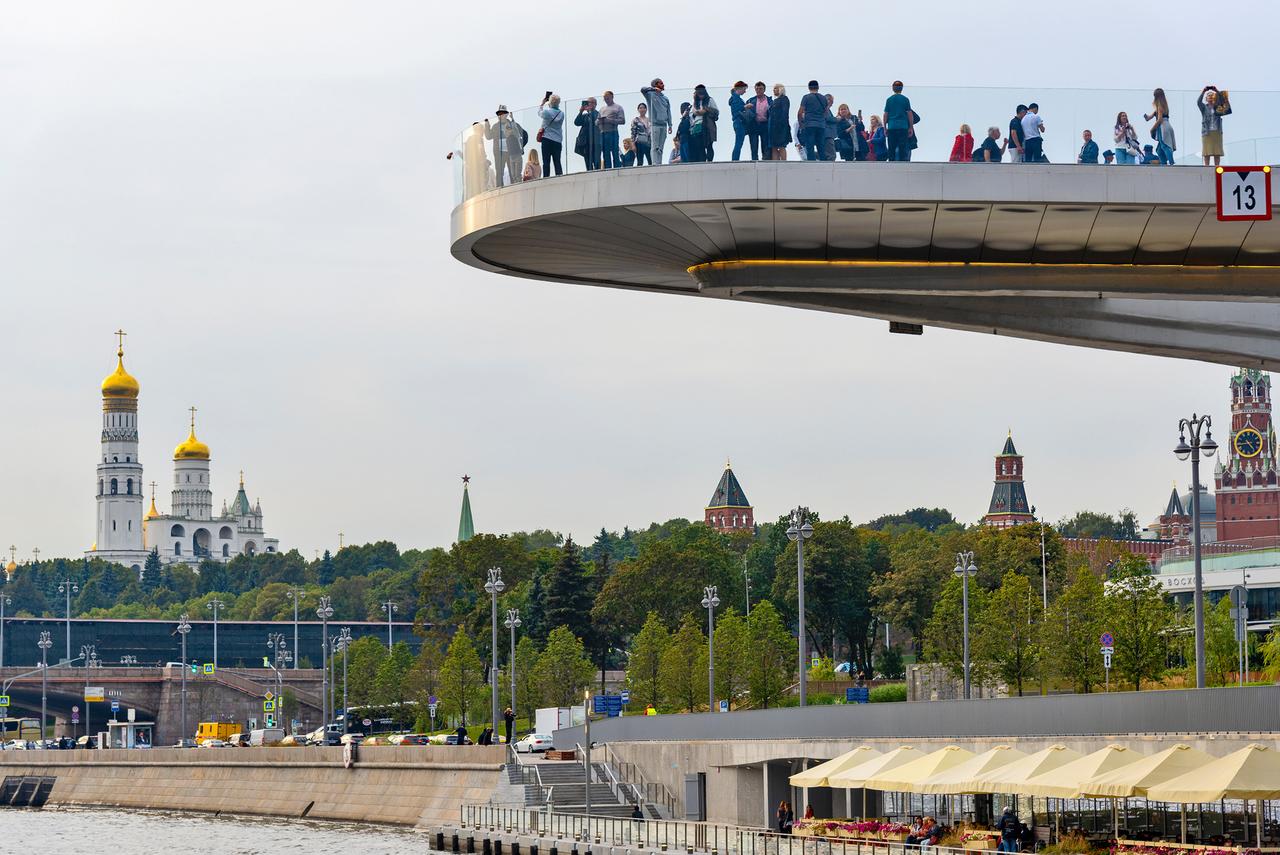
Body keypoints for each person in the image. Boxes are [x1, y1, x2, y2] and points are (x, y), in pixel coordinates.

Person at [485, 105, 526, 187]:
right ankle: (499, 189)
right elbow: (488, 136)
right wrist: (487, 125)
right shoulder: (496, 126)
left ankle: (514, 188)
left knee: (512, 172)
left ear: (506, 114)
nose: (501, 115)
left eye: (503, 113)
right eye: (499, 113)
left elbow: (523, 134)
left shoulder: (512, 124)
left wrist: (520, 146)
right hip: (499, 153)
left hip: (511, 152)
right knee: (499, 173)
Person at [641, 78, 673, 167]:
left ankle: (659, 163)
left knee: (661, 147)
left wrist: (670, 124)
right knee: (655, 146)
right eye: (661, 83)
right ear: (656, 84)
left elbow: (668, 111)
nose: (663, 85)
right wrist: (653, 89)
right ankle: (654, 163)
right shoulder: (650, 95)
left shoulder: (665, 98)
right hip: (655, 124)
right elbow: (642, 89)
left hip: (664, 125)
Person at [1198, 85, 1232, 166]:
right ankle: (1206, 167)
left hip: (1217, 131)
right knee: (1207, 152)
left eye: (1212, 95)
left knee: (1217, 152)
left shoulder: (1218, 107)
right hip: (1207, 132)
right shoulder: (1204, 107)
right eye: (1208, 95)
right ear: (1206, 98)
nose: (1210, 96)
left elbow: (1225, 103)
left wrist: (1217, 91)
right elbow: (1198, 102)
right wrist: (1203, 91)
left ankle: (1217, 167)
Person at [882, 80, 915, 162]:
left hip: (892, 127)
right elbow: (909, 114)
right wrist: (911, 127)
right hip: (903, 127)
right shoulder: (905, 99)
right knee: (902, 148)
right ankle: (902, 165)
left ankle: (892, 165)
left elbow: (886, 114)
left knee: (891, 148)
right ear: (902, 88)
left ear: (893, 88)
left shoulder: (889, 100)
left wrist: (885, 128)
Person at [1144, 88, 1176, 166]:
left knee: (1165, 145)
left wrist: (1152, 129)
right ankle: (1163, 163)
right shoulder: (1161, 106)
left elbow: (1159, 120)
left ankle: (1171, 163)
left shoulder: (1160, 106)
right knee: (1159, 150)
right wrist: (1146, 117)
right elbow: (1149, 118)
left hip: (1163, 127)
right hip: (1165, 126)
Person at [799, 80, 828, 162]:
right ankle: (824, 163)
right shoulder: (823, 98)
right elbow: (826, 112)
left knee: (810, 146)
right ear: (818, 87)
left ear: (809, 88)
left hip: (809, 125)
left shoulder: (806, 97)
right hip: (821, 125)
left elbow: (800, 112)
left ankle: (811, 164)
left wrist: (801, 124)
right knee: (821, 146)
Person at [538, 93, 565, 177]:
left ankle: (546, 178)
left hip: (547, 139)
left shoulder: (547, 112)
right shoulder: (561, 114)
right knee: (557, 161)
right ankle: (559, 177)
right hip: (557, 140)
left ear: (550, 102)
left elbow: (539, 113)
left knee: (546, 161)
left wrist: (542, 104)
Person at [743, 82, 771, 160]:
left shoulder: (769, 100)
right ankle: (754, 162)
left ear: (764, 89)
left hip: (765, 125)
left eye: (760, 88)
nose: (758, 90)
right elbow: (745, 113)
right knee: (754, 146)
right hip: (753, 125)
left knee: (765, 146)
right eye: (757, 89)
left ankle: (765, 162)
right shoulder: (751, 100)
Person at [598, 91, 626, 169]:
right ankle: (607, 169)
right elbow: (596, 122)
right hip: (603, 133)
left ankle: (616, 168)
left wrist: (610, 121)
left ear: (612, 97)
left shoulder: (618, 107)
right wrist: (599, 121)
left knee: (614, 151)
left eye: (608, 98)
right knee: (605, 153)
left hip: (613, 132)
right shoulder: (602, 109)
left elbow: (622, 121)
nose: (606, 100)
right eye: (605, 99)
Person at [574, 97, 601, 170]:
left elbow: (595, 121)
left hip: (596, 142)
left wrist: (589, 111)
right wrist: (580, 112)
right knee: (588, 162)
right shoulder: (585, 115)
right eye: (588, 102)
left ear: (595, 104)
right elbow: (576, 123)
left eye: (591, 102)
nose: (589, 104)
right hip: (586, 142)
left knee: (597, 162)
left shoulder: (598, 114)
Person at [768, 84, 791, 160]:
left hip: (780, 127)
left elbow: (785, 113)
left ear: (780, 89)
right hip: (772, 127)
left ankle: (784, 163)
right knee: (773, 147)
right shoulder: (775, 100)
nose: (773, 90)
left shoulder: (784, 99)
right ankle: (775, 164)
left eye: (775, 88)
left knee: (781, 146)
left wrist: (782, 125)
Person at [728, 82, 749, 161]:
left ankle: (735, 159)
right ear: (739, 88)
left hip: (737, 122)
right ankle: (735, 159)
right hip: (739, 122)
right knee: (739, 142)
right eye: (744, 89)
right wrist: (745, 106)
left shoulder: (735, 97)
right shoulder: (736, 98)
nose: (745, 91)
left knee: (739, 142)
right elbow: (737, 109)